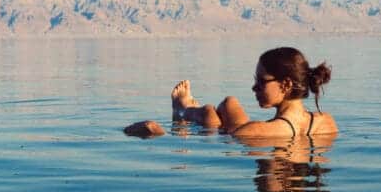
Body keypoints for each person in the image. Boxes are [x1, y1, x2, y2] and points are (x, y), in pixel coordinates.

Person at [124, 47, 337, 138]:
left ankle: (182, 109)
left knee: (211, 114)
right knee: (228, 103)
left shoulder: (253, 131)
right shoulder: (326, 123)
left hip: (242, 132)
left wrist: (155, 132)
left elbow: (222, 138)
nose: (254, 88)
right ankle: (185, 107)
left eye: (261, 82)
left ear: (286, 85)